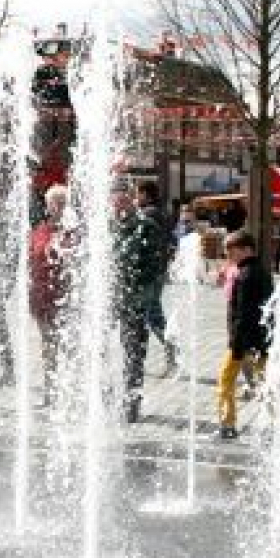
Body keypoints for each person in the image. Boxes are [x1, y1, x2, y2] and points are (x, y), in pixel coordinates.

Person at [112, 179, 167, 423]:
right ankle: (107, 397)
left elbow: (156, 264)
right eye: (114, 196)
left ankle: (132, 403)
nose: (118, 201)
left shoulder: (146, 226)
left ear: (131, 197)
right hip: (110, 300)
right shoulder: (109, 225)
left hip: (134, 300)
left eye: (123, 195)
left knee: (134, 353)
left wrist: (134, 284)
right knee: (102, 349)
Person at [217, 229, 273, 439]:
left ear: (245, 250)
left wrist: (237, 345)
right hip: (262, 339)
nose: (228, 256)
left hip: (244, 340)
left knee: (226, 379)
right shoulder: (260, 270)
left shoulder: (245, 275)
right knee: (266, 383)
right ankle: (275, 425)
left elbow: (244, 313)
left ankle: (227, 424)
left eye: (230, 252)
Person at [28, 184, 75, 406]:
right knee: (48, 347)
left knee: (67, 346)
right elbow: (30, 262)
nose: (57, 207)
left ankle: (69, 391)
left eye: (62, 203)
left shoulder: (74, 232)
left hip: (66, 298)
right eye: (53, 203)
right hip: (41, 297)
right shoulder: (39, 231)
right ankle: (51, 392)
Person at [134, 181, 180, 376]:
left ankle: (172, 351)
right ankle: (171, 351)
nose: (136, 198)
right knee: (151, 312)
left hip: (151, 272)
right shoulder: (162, 212)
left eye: (138, 194)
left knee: (151, 314)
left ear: (145, 194)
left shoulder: (148, 213)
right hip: (159, 270)